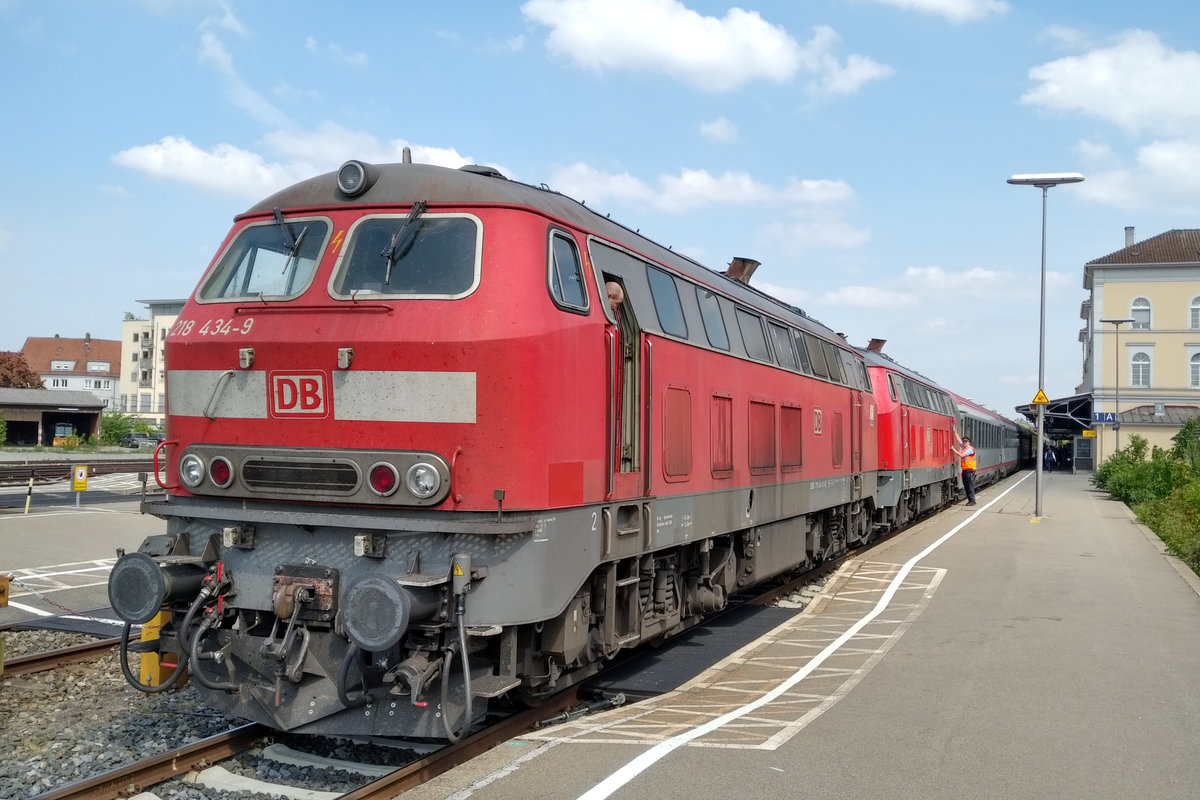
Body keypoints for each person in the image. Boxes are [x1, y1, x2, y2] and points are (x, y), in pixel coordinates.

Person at [951, 429, 977, 506]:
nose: (964, 442)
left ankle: (972, 501)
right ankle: (970, 500)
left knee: (970, 485)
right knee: (966, 485)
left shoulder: (970, 450)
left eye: (966, 441)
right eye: (964, 441)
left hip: (970, 470)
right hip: (965, 470)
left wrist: (953, 449)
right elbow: (959, 440)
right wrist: (954, 431)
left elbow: (962, 455)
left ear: (969, 442)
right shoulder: (964, 447)